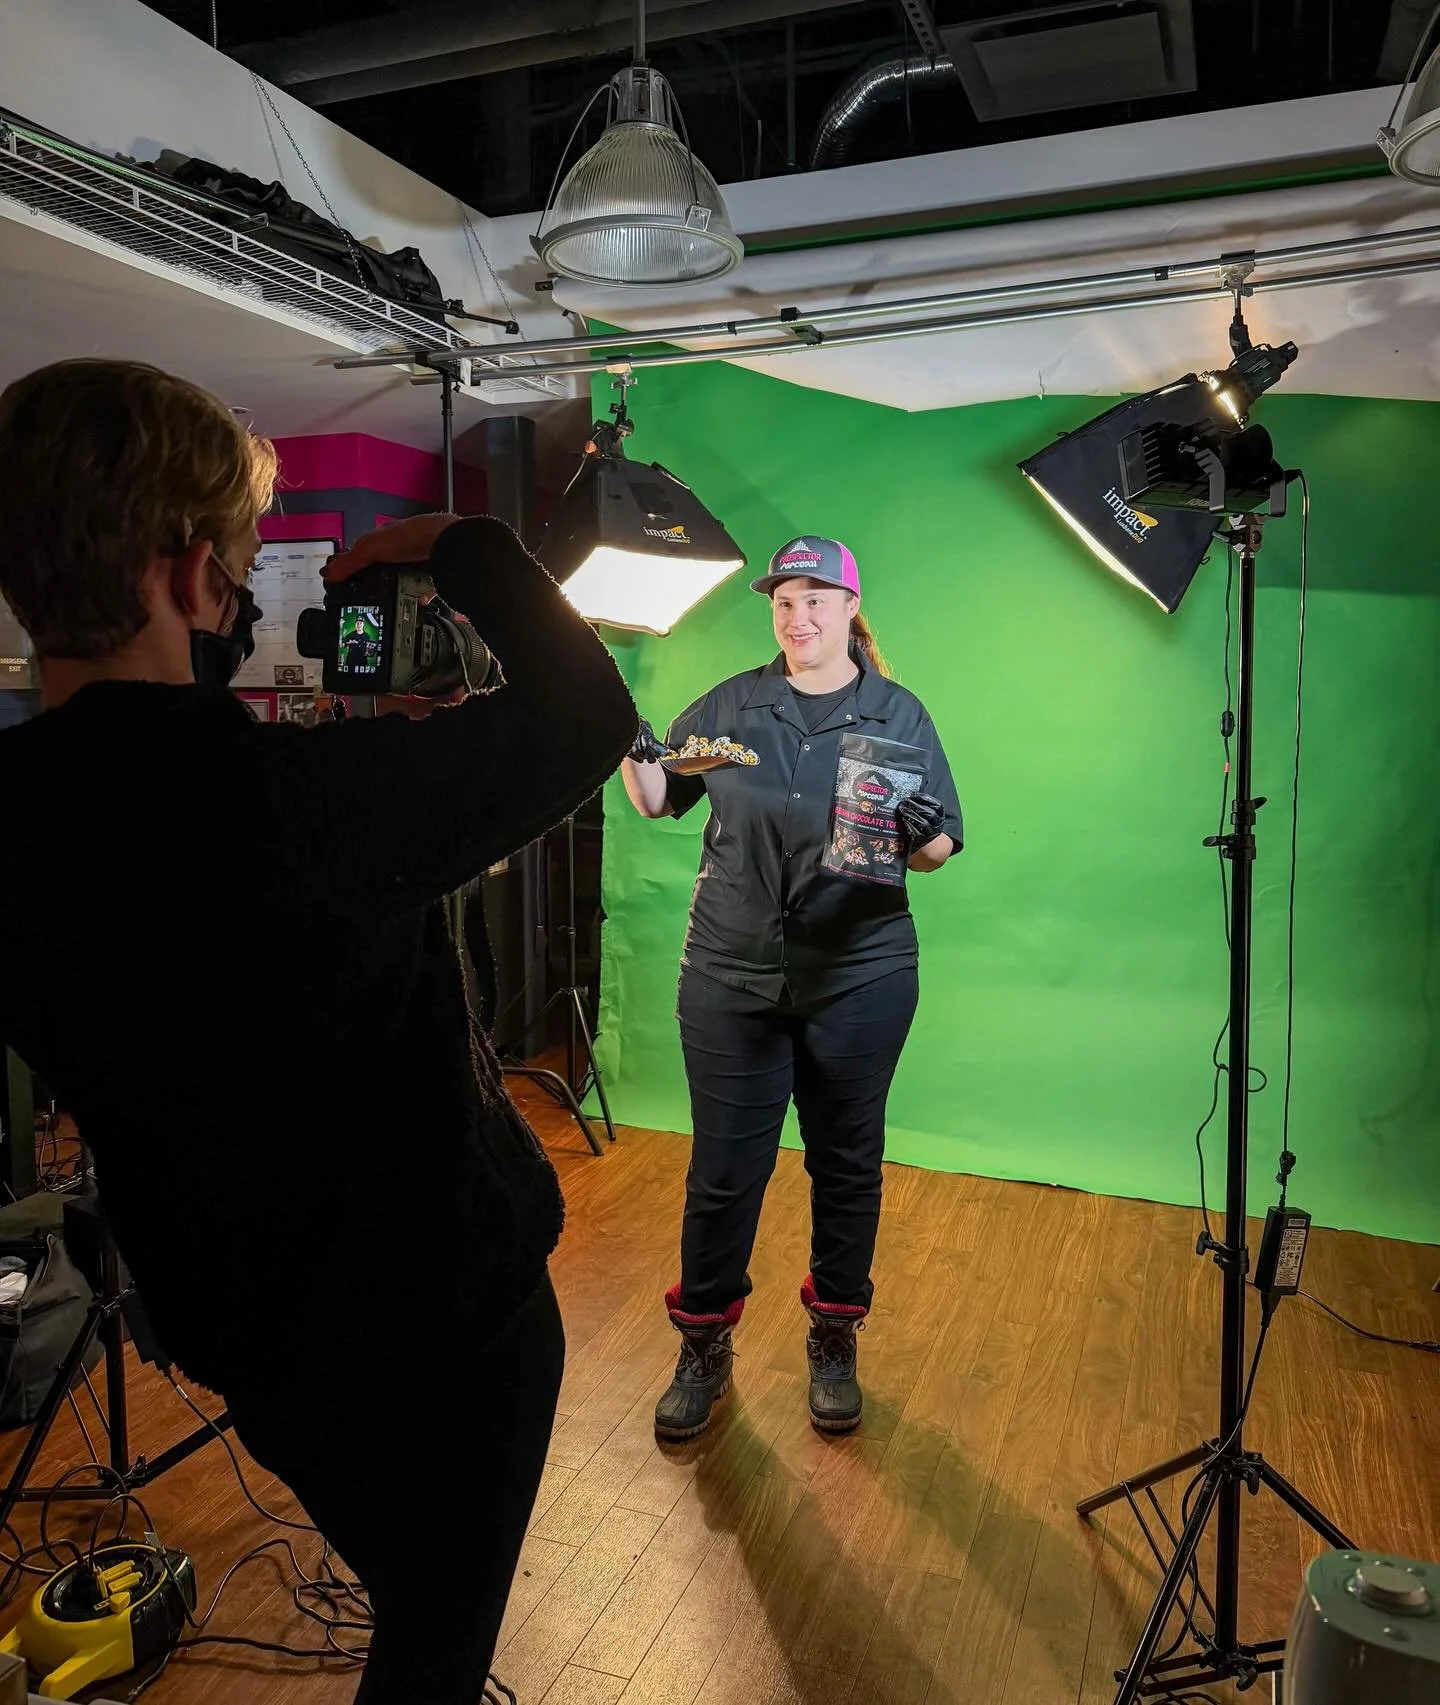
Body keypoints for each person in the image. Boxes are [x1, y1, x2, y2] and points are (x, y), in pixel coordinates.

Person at [0, 359, 637, 1703]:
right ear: (189, 574)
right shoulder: (301, 798)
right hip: (446, 1334)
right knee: (433, 1650)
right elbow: (588, 712)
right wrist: (466, 546)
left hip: (244, 1338)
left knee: (412, 1598)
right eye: (239, 567)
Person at [621, 536, 962, 1442]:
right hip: (729, 973)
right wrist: (624, 737)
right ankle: (702, 1344)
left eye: (815, 598)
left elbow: (937, 851)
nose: (797, 615)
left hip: (859, 976)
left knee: (845, 1163)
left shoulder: (898, 714)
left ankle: (835, 1336)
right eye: (783, 600)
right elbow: (657, 798)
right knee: (724, 1171)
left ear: (849, 607)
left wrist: (919, 828)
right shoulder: (732, 704)